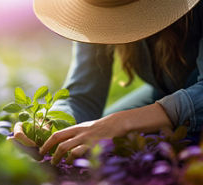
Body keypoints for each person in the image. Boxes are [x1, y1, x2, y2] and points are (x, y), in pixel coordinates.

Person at [11, 0, 203, 165]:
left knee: (113, 132)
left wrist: (125, 122)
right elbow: (83, 96)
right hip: (164, 94)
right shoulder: (93, 9)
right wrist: (50, 122)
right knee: (91, 137)